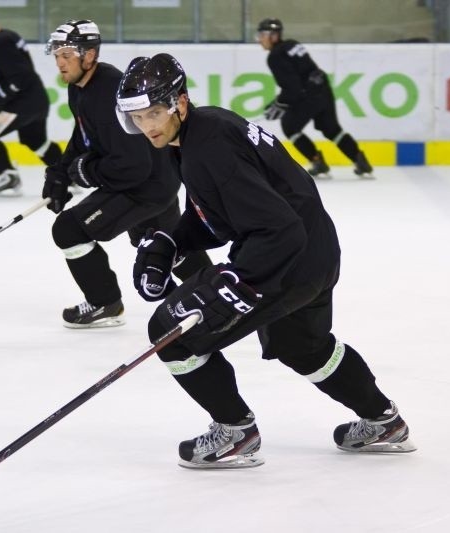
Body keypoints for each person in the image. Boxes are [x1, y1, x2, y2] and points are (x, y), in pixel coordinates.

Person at [115, 53, 415, 469]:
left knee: (172, 333)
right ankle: (384, 421)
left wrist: (240, 281)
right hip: (314, 251)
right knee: (302, 345)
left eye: (154, 113)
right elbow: (220, 216)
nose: (147, 126)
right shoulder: (201, 132)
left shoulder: (208, 149)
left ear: (179, 103)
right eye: (138, 117)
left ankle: (235, 432)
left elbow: (278, 227)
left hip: (286, 258)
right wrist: (169, 241)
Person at [41, 20, 211, 328]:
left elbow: (131, 165)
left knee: (68, 230)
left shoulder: (109, 91)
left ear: (89, 55)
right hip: (157, 181)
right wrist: (60, 173)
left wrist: (86, 172)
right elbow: (83, 137)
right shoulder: (80, 89)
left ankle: (104, 302)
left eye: (66, 54)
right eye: (57, 54)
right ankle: (211, 294)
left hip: (143, 184)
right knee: (168, 242)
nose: (60, 62)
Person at [257, 18, 374, 180]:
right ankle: (359, 159)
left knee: (290, 127)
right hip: (323, 88)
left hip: (308, 95)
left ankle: (317, 162)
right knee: (331, 129)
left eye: (263, 34)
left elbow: (293, 88)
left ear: (273, 36)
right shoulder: (292, 44)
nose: (260, 39)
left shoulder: (275, 56)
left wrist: (279, 103)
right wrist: (281, 102)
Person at [0, 5, 62, 195]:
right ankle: (67, 174)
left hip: (22, 104)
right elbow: (10, 75)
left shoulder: (0, 42)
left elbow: (18, 79)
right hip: (37, 100)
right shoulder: (8, 36)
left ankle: (8, 176)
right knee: (35, 140)